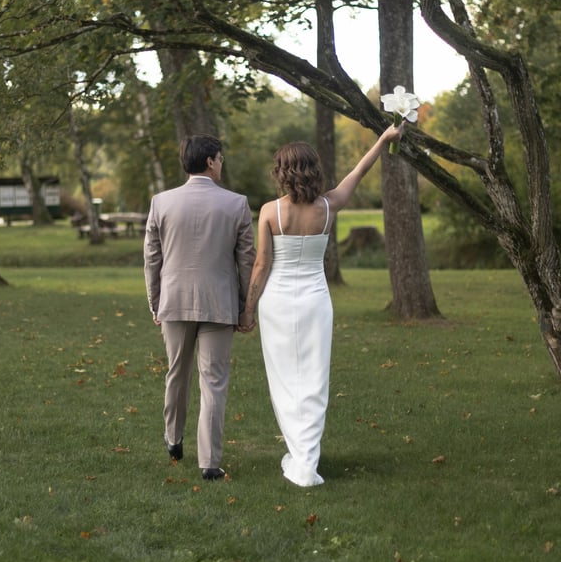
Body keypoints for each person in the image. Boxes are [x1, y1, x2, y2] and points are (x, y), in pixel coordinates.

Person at [241, 125, 404, 487]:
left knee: (285, 379)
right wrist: (383, 139)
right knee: (314, 379)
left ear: (282, 173)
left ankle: (301, 457)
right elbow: (358, 171)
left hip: (277, 303)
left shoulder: (270, 211)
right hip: (315, 301)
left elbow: (262, 265)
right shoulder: (329, 207)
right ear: (313, 170)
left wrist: (248, 310)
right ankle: (306, 458)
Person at [144, 134, 256, 481]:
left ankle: (173, 438)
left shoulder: (161, 202)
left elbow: (152, 258)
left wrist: (155, 302)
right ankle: (209, 461)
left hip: (174, 300)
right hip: (219, 302)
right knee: (214, 381)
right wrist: (246, 307)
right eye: (220, 158)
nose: (222, 163)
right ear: (209, 161)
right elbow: (246, 261)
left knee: (177, 372)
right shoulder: (237, 204)